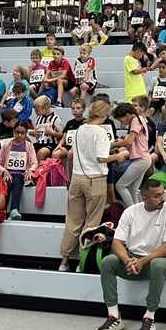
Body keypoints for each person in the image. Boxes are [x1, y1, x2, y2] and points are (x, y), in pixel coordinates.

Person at [94, 177, 166, 330]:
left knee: (157, 264)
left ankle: (149, 317)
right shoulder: (131, 212)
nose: (162, 198)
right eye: (157, 196)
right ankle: (114, 316)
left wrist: (143, 260)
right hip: (134, 259)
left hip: (162, 259)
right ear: (145, 198)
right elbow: (117, 243)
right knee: (107, 262)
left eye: (162, 194)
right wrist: (127, 260)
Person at [58, 101, 117, 271]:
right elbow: (101, 158)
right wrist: (118, 156)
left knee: (72, 222)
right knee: (91, 223)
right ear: (104, 114)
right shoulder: (100, 132)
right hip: (95, 178)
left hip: (77, 177)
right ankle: (82, 262)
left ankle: (64, 262)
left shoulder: (78, 129)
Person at [112, 101, 152, 209]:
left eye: (121, 120)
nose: (122, 123)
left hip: (141, 159)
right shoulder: (139, 119)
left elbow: (129, 141)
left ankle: (132, 211)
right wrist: (118, 146)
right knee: (133, 189)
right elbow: (131, 143)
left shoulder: (135, 120)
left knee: (120, 186)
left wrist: (113, 144)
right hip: (143, 158)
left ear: (127, 115)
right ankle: (138, 211)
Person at [0, 121, 37, 220]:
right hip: (7, 173)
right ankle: (2, 211)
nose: (19, 135)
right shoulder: (6, 144)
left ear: (26, 133)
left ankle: (14, 210)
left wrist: (31, 170)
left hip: (21, 174)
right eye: (17, 132)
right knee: (7, 183)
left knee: (17, 182)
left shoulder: (29, 146)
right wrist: (4, 171)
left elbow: (34, 162)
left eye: (22, 133)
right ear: (13, 132)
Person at [31, 94, 64, 162]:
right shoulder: (38, 118)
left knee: (42, 152)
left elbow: (63, 135)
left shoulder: (56, 119)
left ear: (46, 108)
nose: (35, 112)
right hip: (39, 143)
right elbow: (36, 131)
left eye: (37, 110)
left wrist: (52, 133)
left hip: (51, 144)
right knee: (28, 148)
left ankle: (39, 168)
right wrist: (33, 133)